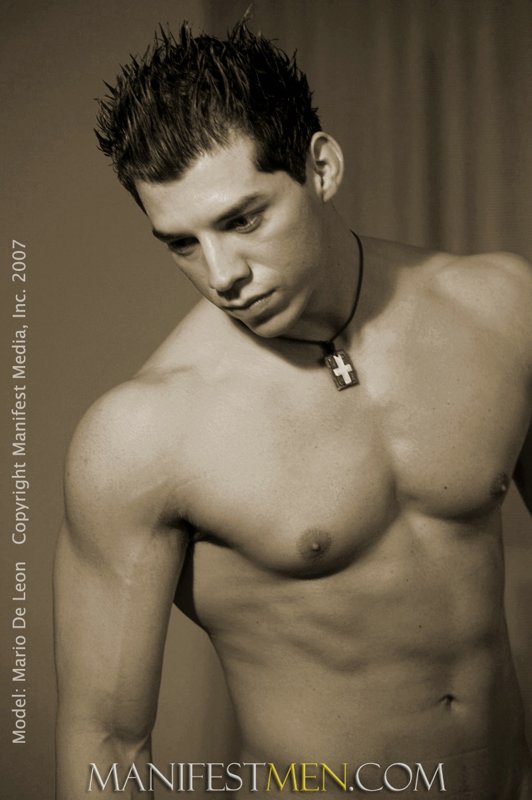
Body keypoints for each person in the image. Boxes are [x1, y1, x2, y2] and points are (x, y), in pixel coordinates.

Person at [54, 19, 532, 800]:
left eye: (243, 219)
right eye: (181, 243)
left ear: (322, 166)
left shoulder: (503, 309)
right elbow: (106, 743)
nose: (222, 274)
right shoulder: (140, 437)